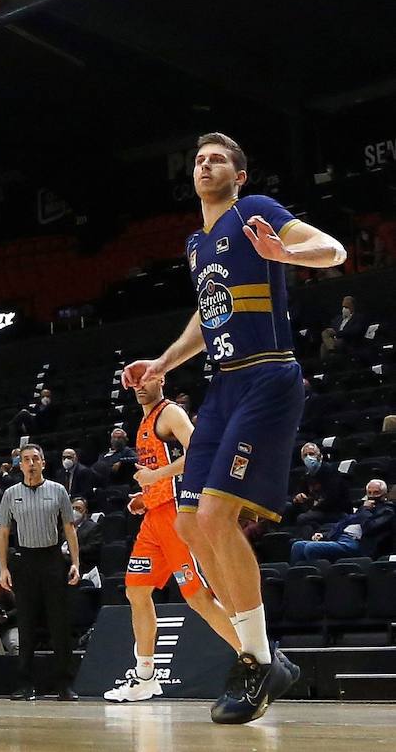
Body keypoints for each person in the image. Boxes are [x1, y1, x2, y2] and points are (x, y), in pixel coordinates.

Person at [123, 132, 346, 725]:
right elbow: (208, 314)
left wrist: (288, 256)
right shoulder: (197, 245)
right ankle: (264, 659)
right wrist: (164, 363)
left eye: (218, 158)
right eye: (198, 159)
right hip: (222, 385)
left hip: (267, 376)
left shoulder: (258, 213)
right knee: (192, 525)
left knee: (218, 516)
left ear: (240, 175)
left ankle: (256, 663)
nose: (206, 164)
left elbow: (334, 250)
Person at [104, 374, 238, 703]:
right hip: (154, 516)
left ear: (161, 379)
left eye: (145, 379)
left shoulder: (171, 413)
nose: (139, 386)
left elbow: (201, 452)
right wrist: (145, 494)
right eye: (133, 383)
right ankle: (146, 677)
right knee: (136, 591)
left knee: (198, 597)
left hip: (178, 514)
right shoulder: (146, 420)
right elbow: (160, 471)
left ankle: (256, 660)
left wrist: (155, 476)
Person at [0, 444, 79, 701]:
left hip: (53, 559)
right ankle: (25, 684)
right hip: (25, 560)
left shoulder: (58, 490)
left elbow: (69, 528)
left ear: (43, 463)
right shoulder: (10, 493)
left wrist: (76, 562)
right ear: (20, 465)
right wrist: (3, 568)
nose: (30, 463)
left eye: (35, 459)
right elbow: (3, 532)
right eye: (25, 460)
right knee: (26, 624)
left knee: (59, 624)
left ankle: (64, 685)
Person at [289, 480, 393, 563]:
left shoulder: (387, 511)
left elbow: (369, 527)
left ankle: (320, 580)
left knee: (310, 548)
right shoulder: (363, 509)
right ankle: (296, 580)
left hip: (358, 544)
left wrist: (365, 510)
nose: (372, 496)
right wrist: (324, 535)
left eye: (376, 493)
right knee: (298, 546)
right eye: (369, 493)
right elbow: (343, 524)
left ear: (384, 496)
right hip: (341, 538)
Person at [282, 442, 352, 529]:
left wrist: (311, 506)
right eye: (305, 455)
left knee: (303, 518)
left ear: (320, 456)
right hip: (315, 508)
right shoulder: (306, 474)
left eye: (311, 454)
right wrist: (297, 497)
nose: (308, 457)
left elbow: (332, 499)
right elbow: (299, 491)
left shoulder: (331, 472)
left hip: (335, 511)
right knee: (287, 507)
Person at [320, 294, 367, 360]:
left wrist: (338, 333)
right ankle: (327, 360)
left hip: (347, 341)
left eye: (347, 307)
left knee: (327, 345)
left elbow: (355, 331)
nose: (344, 309)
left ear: (353, 307)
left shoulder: (358, 317)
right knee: (324, 342)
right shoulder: (337, 318)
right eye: (343, 306)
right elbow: (332, 328)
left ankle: (332, 353)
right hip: (334, 340)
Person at [69, 498, 102, 575]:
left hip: (84, 565)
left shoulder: (93, 527)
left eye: (78, 508)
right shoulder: (65, 527)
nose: (74, 511)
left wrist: (71, 552)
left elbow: (92, 548)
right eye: (72, 508)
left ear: (85, 512)